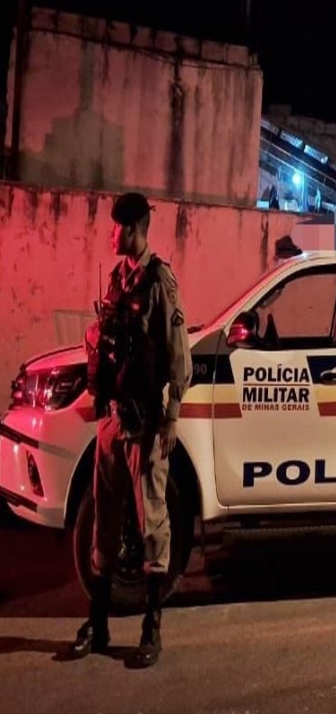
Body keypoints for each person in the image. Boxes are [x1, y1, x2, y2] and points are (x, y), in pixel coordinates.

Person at [68, 192, 193, 667]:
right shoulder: (119, 281)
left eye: (117, 227)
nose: (110, 234)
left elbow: (177, 352)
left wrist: (173, 416)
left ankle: (151, 628)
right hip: (111, 420)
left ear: (135, 229)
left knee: (152, 524)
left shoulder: (159, 281)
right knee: (104, 519)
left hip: (146, 424)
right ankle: (98, 623)